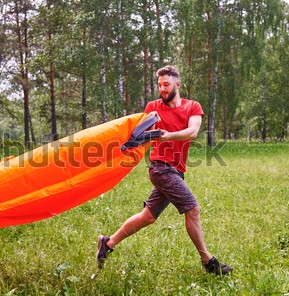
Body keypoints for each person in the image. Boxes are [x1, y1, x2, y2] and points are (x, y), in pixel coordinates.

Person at [96, 65, 232, 275]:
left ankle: (108, 243)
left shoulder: (192, 107)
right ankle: (208, 261)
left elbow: (193, 132)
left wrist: (169, 135)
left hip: (175, 171)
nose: (162, 89)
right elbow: (136, 132)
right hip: (161, 168)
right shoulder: (153, 107)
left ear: (178, 84)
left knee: (148, 216)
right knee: (193, 209)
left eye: (166, 84)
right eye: (160, 85)